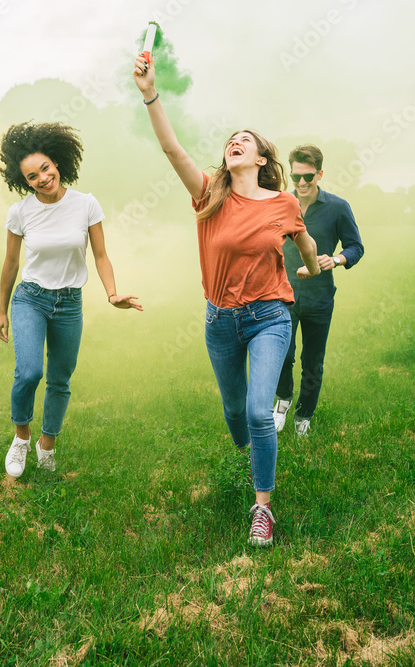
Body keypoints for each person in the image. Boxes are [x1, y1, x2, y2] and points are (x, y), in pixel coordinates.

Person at [133, 55, 322, 547]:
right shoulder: (209, 196)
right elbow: (172, 149)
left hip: (269, 317)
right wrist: (151, 93)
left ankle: (263, 508)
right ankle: (250, 447)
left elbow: (303, 240)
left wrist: (311, 263)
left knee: (260, 413)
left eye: (247, 141)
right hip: (220, 321)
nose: (235, 143)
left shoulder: (283, 203)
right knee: (235, 413)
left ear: (261, 159)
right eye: (230, 141)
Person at [0, 121, 141, 479]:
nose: (42, 178)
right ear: (24, 181)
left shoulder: (86, 204)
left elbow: (100, 255)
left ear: (58, 162)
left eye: (45, 168)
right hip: (31, 299)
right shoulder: (20, 212)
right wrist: (2, 311)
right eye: (32, 176)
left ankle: (48, 444)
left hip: (69, 304)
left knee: (60, 380)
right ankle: (22, 437)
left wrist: (111, 294)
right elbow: (12, 262)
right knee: (29, 372)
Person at [274, 145, 364, 437]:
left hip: (319, 297)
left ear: (320, 174)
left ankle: (304, 415)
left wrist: (336, 259)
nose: (301, 183)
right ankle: (283, 400)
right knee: (282, 356)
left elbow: (356, 247)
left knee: (312, 361)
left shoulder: (338, 207)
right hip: (282, 294)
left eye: (308, 176)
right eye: (296, 176)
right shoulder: (281, 203)